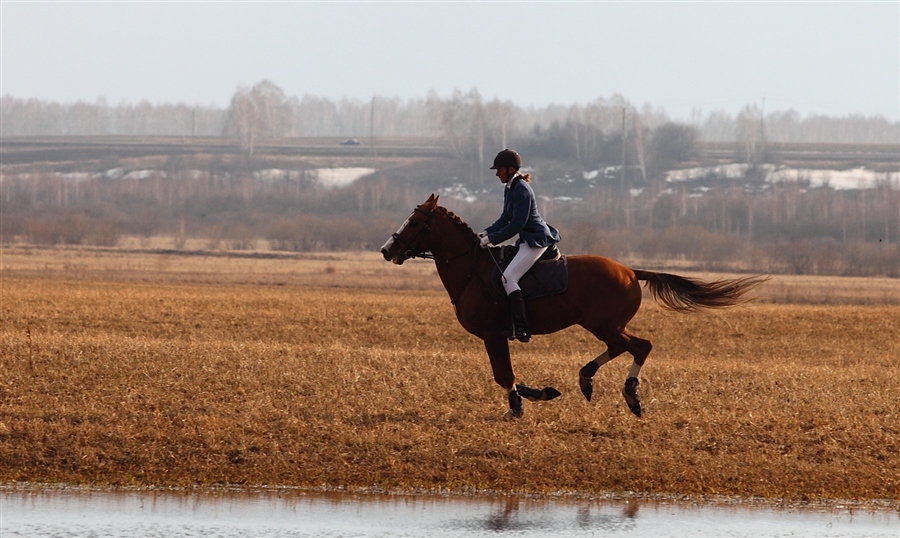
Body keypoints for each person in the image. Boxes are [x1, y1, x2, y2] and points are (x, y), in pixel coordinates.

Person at [479, 149, 561, 343]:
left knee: (509, 277)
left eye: (499, 170)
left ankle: (522, 327)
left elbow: (517, 224)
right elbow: (505, 218)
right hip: (527, 240)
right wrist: (486, 233)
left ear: (510, 169)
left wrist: (491, 240)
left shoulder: (521, 190)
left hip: (536, 241)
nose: (497, 174)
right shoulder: (510, 187)